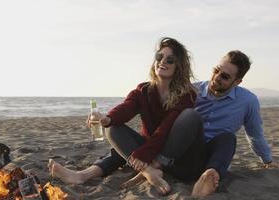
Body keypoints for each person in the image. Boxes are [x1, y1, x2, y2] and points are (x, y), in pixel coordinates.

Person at [48, 37, 198, 195]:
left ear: (179, 66)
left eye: (170, 60)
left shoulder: (186, 95)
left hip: (175, 158)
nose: (163, 62)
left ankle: (151, 168)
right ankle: (83, 175)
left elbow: (164, 129)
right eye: (159, 57)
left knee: (189, 116)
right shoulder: (144, 90)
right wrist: (107, 119)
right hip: (151, 150)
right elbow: (127, 108)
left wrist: (143, 156)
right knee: (113, 131)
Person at [189, 50, 278, 197]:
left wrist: (267, 160)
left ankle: (210, 176)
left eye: (224, 76)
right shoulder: (192, 90)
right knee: (189, 117)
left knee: (228, 137)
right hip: (187, 155)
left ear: (237, 82)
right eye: (216, 70)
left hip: (216, 157)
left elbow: (255, 135)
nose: (216, 77)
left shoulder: (248, 101)